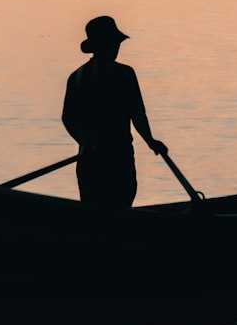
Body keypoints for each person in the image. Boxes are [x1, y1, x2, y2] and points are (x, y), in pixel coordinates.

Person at [62, 16, 167, 208]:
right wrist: (151, 141)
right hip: (117, 159)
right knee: (118, 206)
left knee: (94, 211)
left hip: (88, 160)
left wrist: (85, 142)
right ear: (101, 45)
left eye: (116, 43)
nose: (116, 47)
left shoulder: (76, 77)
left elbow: (68, 119)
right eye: (112, 43)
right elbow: (138, 115)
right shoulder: (124, 75)